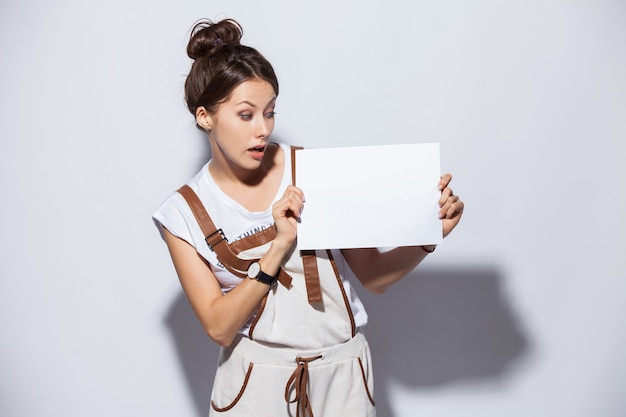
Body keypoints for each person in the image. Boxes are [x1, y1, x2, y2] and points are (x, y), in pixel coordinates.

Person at [153, 18, 464, 417]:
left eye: (269, 112)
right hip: (253, 385)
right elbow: (219, 327)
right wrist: (278, 246)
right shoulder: (182, 213)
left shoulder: (313, 169)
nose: (262, 129)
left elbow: (373, 277)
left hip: (343, 380)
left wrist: (428, 235)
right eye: (246, 115)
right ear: (205, 116)